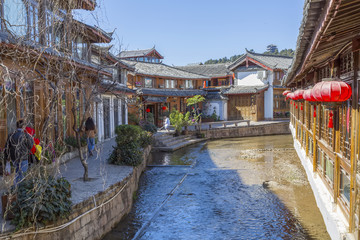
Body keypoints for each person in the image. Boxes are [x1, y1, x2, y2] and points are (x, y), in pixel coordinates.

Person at [4, 119, 34, 185]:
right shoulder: (25, 135)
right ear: (23, 126)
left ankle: (16, 189)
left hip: (14, 158)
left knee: (17, 174)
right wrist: (31, 139)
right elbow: (30, 146)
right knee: (23, 175)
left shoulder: (11, 135)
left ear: (17, 126)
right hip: (23, 158)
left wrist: (7, 158)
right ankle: (20, 191)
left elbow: (7, 147)